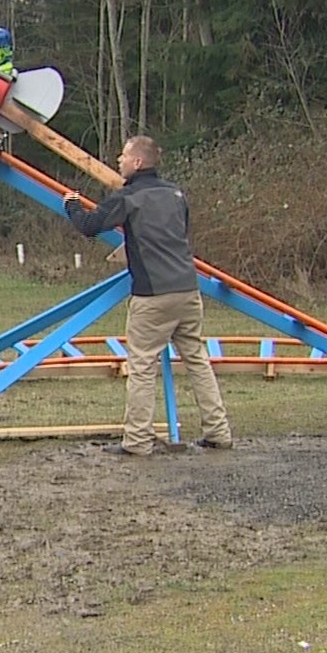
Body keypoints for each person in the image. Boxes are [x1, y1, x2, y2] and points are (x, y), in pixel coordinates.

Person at [61, 135, 233, 457]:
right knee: (197, 360)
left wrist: (71, 203)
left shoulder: (128, 197)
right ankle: (218, 432)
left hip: (153, 295)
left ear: (138, 162)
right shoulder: (176, 194)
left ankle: (138, 440)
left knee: (141, 365)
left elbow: (89, 226)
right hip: (187, 289)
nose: (119, 159)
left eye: (124, 155)